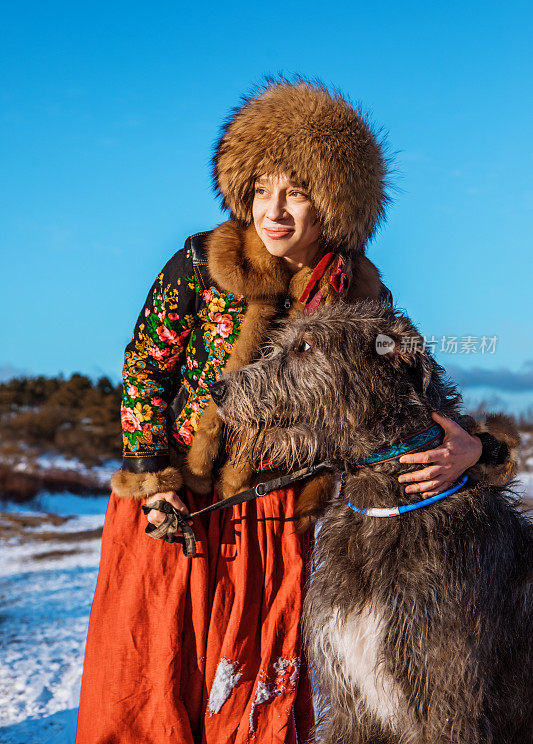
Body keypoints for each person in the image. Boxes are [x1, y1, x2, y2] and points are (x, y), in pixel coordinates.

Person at [75, 78, 510, 744]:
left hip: (276, 520)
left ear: (334, 203)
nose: (273, 211)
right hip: (175, 510)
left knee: (250, 696)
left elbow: (413, 397)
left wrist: (478, 450)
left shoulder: (361, 297)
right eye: (260, 189)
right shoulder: (199, 263)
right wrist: (154, 485)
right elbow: (144, 371)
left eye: (296, 191)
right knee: (154, 684)